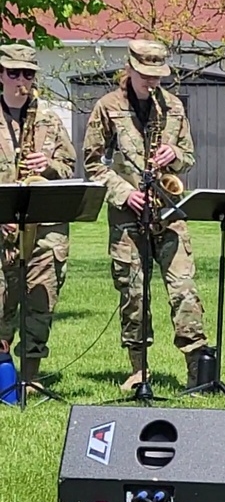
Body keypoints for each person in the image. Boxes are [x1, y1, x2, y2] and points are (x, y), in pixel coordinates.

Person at [82, 39, 209, 391]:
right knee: (134, 294)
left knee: (184, 290)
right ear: (131, 69)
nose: (153, 83)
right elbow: (93, 163)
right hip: (128, 215)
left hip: (168, 210)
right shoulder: (107, 107)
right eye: (146, 76)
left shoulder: (173, 107)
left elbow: (189, 156)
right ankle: (138, 368)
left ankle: (197, 369)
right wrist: (124, 193)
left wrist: (175, 156)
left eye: (158, 77)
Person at [0, 44, 76, 393]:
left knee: (40, 299)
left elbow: (69, 168)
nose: (21, 81)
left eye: (28, 74)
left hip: (43, 228)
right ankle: (3, 375)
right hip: (3, 226)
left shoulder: (48, 119)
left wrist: (47, 166)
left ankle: (31, 377)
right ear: (1, 74)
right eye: (13, 73)